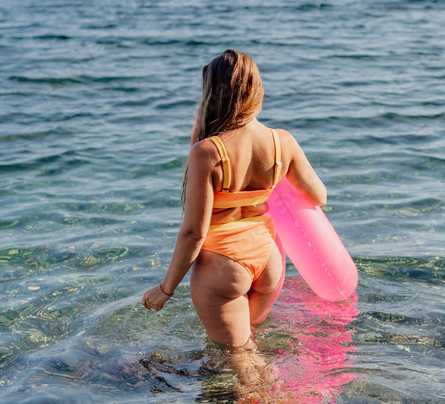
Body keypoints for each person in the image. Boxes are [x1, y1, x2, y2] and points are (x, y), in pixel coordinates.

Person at [141, 49, 329, 348]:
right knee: (250, 345)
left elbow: (193, 233)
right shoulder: (283, 141)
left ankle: (271, 396)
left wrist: (166, 289)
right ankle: (275, 391)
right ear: (256, 90)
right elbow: (319, 196)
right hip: (268, 259)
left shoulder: (208, 152)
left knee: (237, 358)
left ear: (212, 93)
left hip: (224, 266)